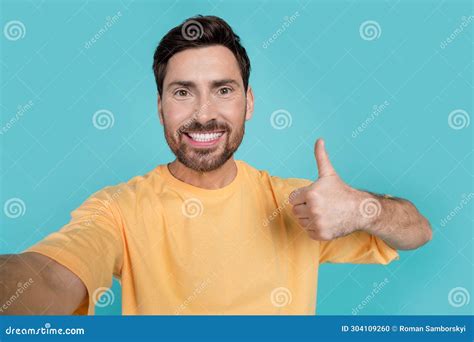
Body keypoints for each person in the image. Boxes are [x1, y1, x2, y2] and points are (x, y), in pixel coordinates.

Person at [0, 15, 431, 315]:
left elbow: (417, 231)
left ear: (249, 103)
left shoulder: (299, 203)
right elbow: (50, 281)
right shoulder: (117, 210)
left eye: (223, 90)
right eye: (183, 92)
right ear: (160, 106)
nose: (204, 113)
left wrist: (361, 208)